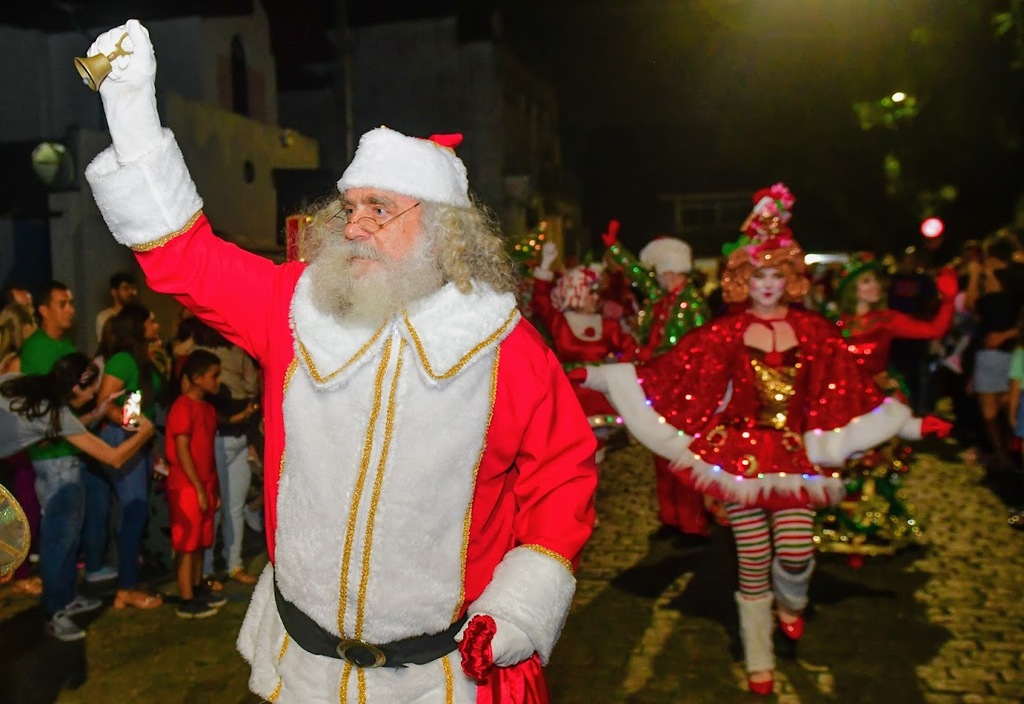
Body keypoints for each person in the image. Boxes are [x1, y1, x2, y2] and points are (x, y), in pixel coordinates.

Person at [82, 20, 597, 703]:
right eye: (350, 207)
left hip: (434, 679)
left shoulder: (502, 346)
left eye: (378, 209)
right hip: (301, 669)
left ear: (445, 230)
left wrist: (520, 606)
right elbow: (185, 261)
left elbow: (563, 476)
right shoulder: (296, 306)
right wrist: (131, 113)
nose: (352, 225)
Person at [576, 183, 950, 695]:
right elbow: (668, 374)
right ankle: (759, 656)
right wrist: (598, 377)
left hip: (794, 458)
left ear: (791, 278)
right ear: (742, 280)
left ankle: (793, 602)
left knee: (795, 552)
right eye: (758, 275)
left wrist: (911, 424)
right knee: (752, 559)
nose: (768, 285)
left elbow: (850, 391)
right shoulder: (724, 334)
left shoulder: (815, 332)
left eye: (777, 274)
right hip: (741, 459)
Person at [0, 352, 155, 640]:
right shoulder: (56, 413)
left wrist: (96, 414)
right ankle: (55, 614)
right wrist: (145, 431)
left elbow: (39, 432)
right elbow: (114, 458)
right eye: (92, 392)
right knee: (57, 543)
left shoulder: (21, 383)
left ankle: (62, 601)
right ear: (75, 388)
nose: (95, 397)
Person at [815, 253, 957, 560]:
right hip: (841, 404)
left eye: (876, 280)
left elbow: (932, 331)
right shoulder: (835, 324)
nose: (875, 286)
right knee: (840, 463)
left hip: (877, 403)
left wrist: (948, 300)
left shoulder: (887, 320)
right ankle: (839, 522)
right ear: (853, 288)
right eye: (867, 281)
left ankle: (873, 521)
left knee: (876, 465)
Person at [604, 225, 715, 541]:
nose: (657, 278)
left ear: (671, 271)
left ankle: (693, 524)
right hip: (659, 384)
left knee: (682, 453)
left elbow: (703, 350)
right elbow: (637, 275)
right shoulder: (661, 298)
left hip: (684, 388)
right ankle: (671, 518)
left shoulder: (692, 303)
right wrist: (615, 249)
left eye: (661, 273)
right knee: (660, 448)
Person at [84, 303, 166, 609]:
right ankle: (127, 588)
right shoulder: (122, 359)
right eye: (152, 320)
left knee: (135, 511)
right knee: (133, 511)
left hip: (137, 438)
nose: (157, 325)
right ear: (139, 326)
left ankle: (129, 579)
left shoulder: (138, 359)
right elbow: (105, 401)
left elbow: (135, 397)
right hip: (123, 438)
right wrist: (133, 425)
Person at [194, 322, 262, 585]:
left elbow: (252, 386)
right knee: (214, 507)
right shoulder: (203, 353)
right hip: (218, 440)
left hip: (241, 438)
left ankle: (234, 564)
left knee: (235, 506)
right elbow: (208, 407)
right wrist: (236, 414)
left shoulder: (238, 349)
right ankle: (208, 569)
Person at [165, 349, 226, 618]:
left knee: (201, 541)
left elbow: (207, 453)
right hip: (186, 486)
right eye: (214, 376)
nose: (218, 381)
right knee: (187, 543)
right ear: (197, 378)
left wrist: (214, 489)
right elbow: (182, 451)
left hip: (204, 485)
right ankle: (186, 598)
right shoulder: (182, 408)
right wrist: (199, 489)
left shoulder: (208, 409)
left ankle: (197, 586)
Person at [964, 229, 1024, 474]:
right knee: (1009, 406)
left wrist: (975, 275)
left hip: (994, 351)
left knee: (994, 410)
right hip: (1012, 350)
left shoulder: (996, 279)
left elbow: (971, 306)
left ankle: (1003, 455)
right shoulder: (1016, 276)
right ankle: (1006, 456)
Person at [95, 271, 139, 346]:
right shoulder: (104, 317)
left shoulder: (138, 315)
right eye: (126, 288)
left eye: (133, 288)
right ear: (114, 292)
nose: (131, 292)